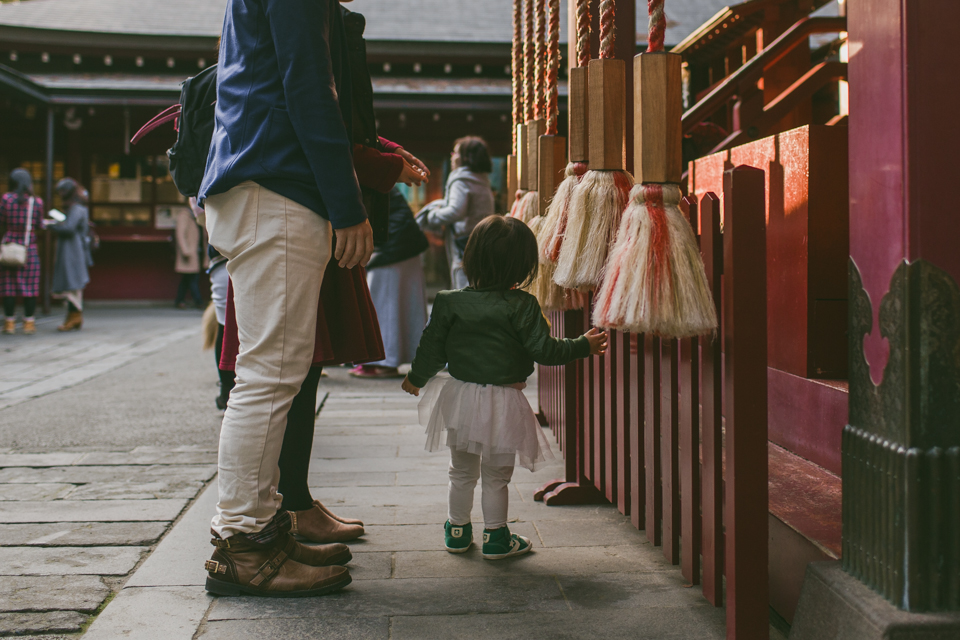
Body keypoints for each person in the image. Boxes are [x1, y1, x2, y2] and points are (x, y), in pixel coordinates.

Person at [199, 0, 374, 598]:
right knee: (271, 374)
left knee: (273, 370)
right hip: (276, 180)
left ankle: (261, 526)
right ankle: (244, 542)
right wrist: (346, 205)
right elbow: (308, 85)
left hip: (257, 176)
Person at [401, 216, 608, 558]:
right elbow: (546, 351)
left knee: (461, 471)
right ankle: (496, 537)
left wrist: (416, 378)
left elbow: (431, 346)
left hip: (461, 397)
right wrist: (582, 345)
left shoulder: (449, 301)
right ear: (522, 265)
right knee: (497, 475)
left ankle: (456, 530)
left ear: (471, 258)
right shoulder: (522, 305)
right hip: (503, 401)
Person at [352, 188, 429, 378]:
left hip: (390, 248)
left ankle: (383, 361)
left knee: (382, 303)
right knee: (394, 304)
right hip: (400, 245)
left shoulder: (365, 178)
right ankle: (385, 360)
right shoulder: (379, 181)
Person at [417, 136, 496, 289]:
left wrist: (432, 215)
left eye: (455, 153)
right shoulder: (480, 178)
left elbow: (455, 211)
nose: (453, 157)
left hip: (464, 242)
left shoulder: (461, 180)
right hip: (482, 237)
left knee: (463, 283)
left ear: (466, 157)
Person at [1, 169, 44, 336]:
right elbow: (40, 225)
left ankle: (10, 323)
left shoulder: (6, 199)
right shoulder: (36, 202)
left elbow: (2, 220)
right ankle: (28, 323)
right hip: (29, 247)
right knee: (30, 287)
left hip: (10, 246)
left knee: (9, 288)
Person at [49, 178, 91, 332]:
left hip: (73, 251)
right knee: (71, 284)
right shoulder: (76, 207)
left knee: (72, 283)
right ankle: (73, 317)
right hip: (71, 250)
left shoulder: (77, 209)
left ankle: (74, 317)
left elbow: (69, 228)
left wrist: (51, 225)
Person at [174, 206, 203, 309]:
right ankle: (199, 302)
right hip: (188, 254)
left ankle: (179, 301)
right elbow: (180, 235)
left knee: (186, 280)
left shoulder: (193, 217)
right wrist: (185, 251)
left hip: (193, 253)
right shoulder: (184, 216)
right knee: (192, 279)